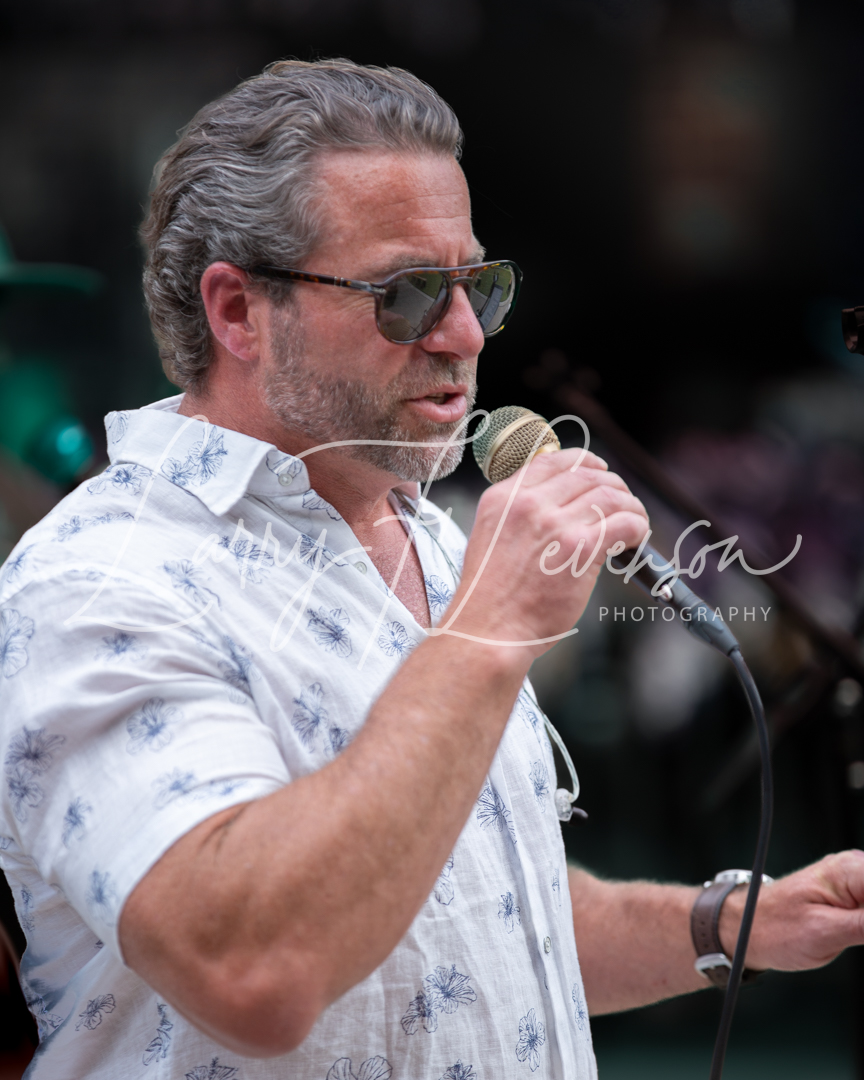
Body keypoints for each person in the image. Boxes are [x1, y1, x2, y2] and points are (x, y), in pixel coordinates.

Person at [0, 59, 862, 1080]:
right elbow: (252, 968)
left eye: (479, 287)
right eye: (406, 293)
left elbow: (477, 917)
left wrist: (733, 924)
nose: (464, 335)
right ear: (237, 312)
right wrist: (490, 631)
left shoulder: (432, 533)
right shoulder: (101, 582)